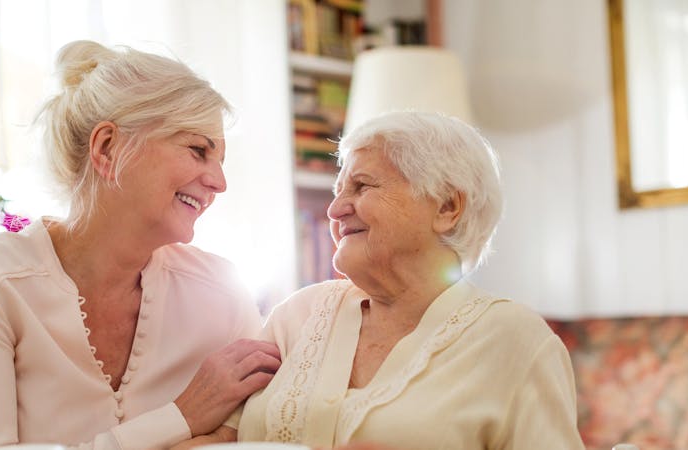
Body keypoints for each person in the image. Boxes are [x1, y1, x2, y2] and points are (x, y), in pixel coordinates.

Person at [0, 40, 280, 449]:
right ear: (107, 148)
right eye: (198, 151)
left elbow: (260, 438)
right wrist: (182, 418)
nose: (219, 182)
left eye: (220, 162)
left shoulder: (222, 291)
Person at [232, 111, 585, 449]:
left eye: (361, 186)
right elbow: (218, 438)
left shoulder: (515, 338)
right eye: (338, 190)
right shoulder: (296, 315)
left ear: (447, 207)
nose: (335, 209)